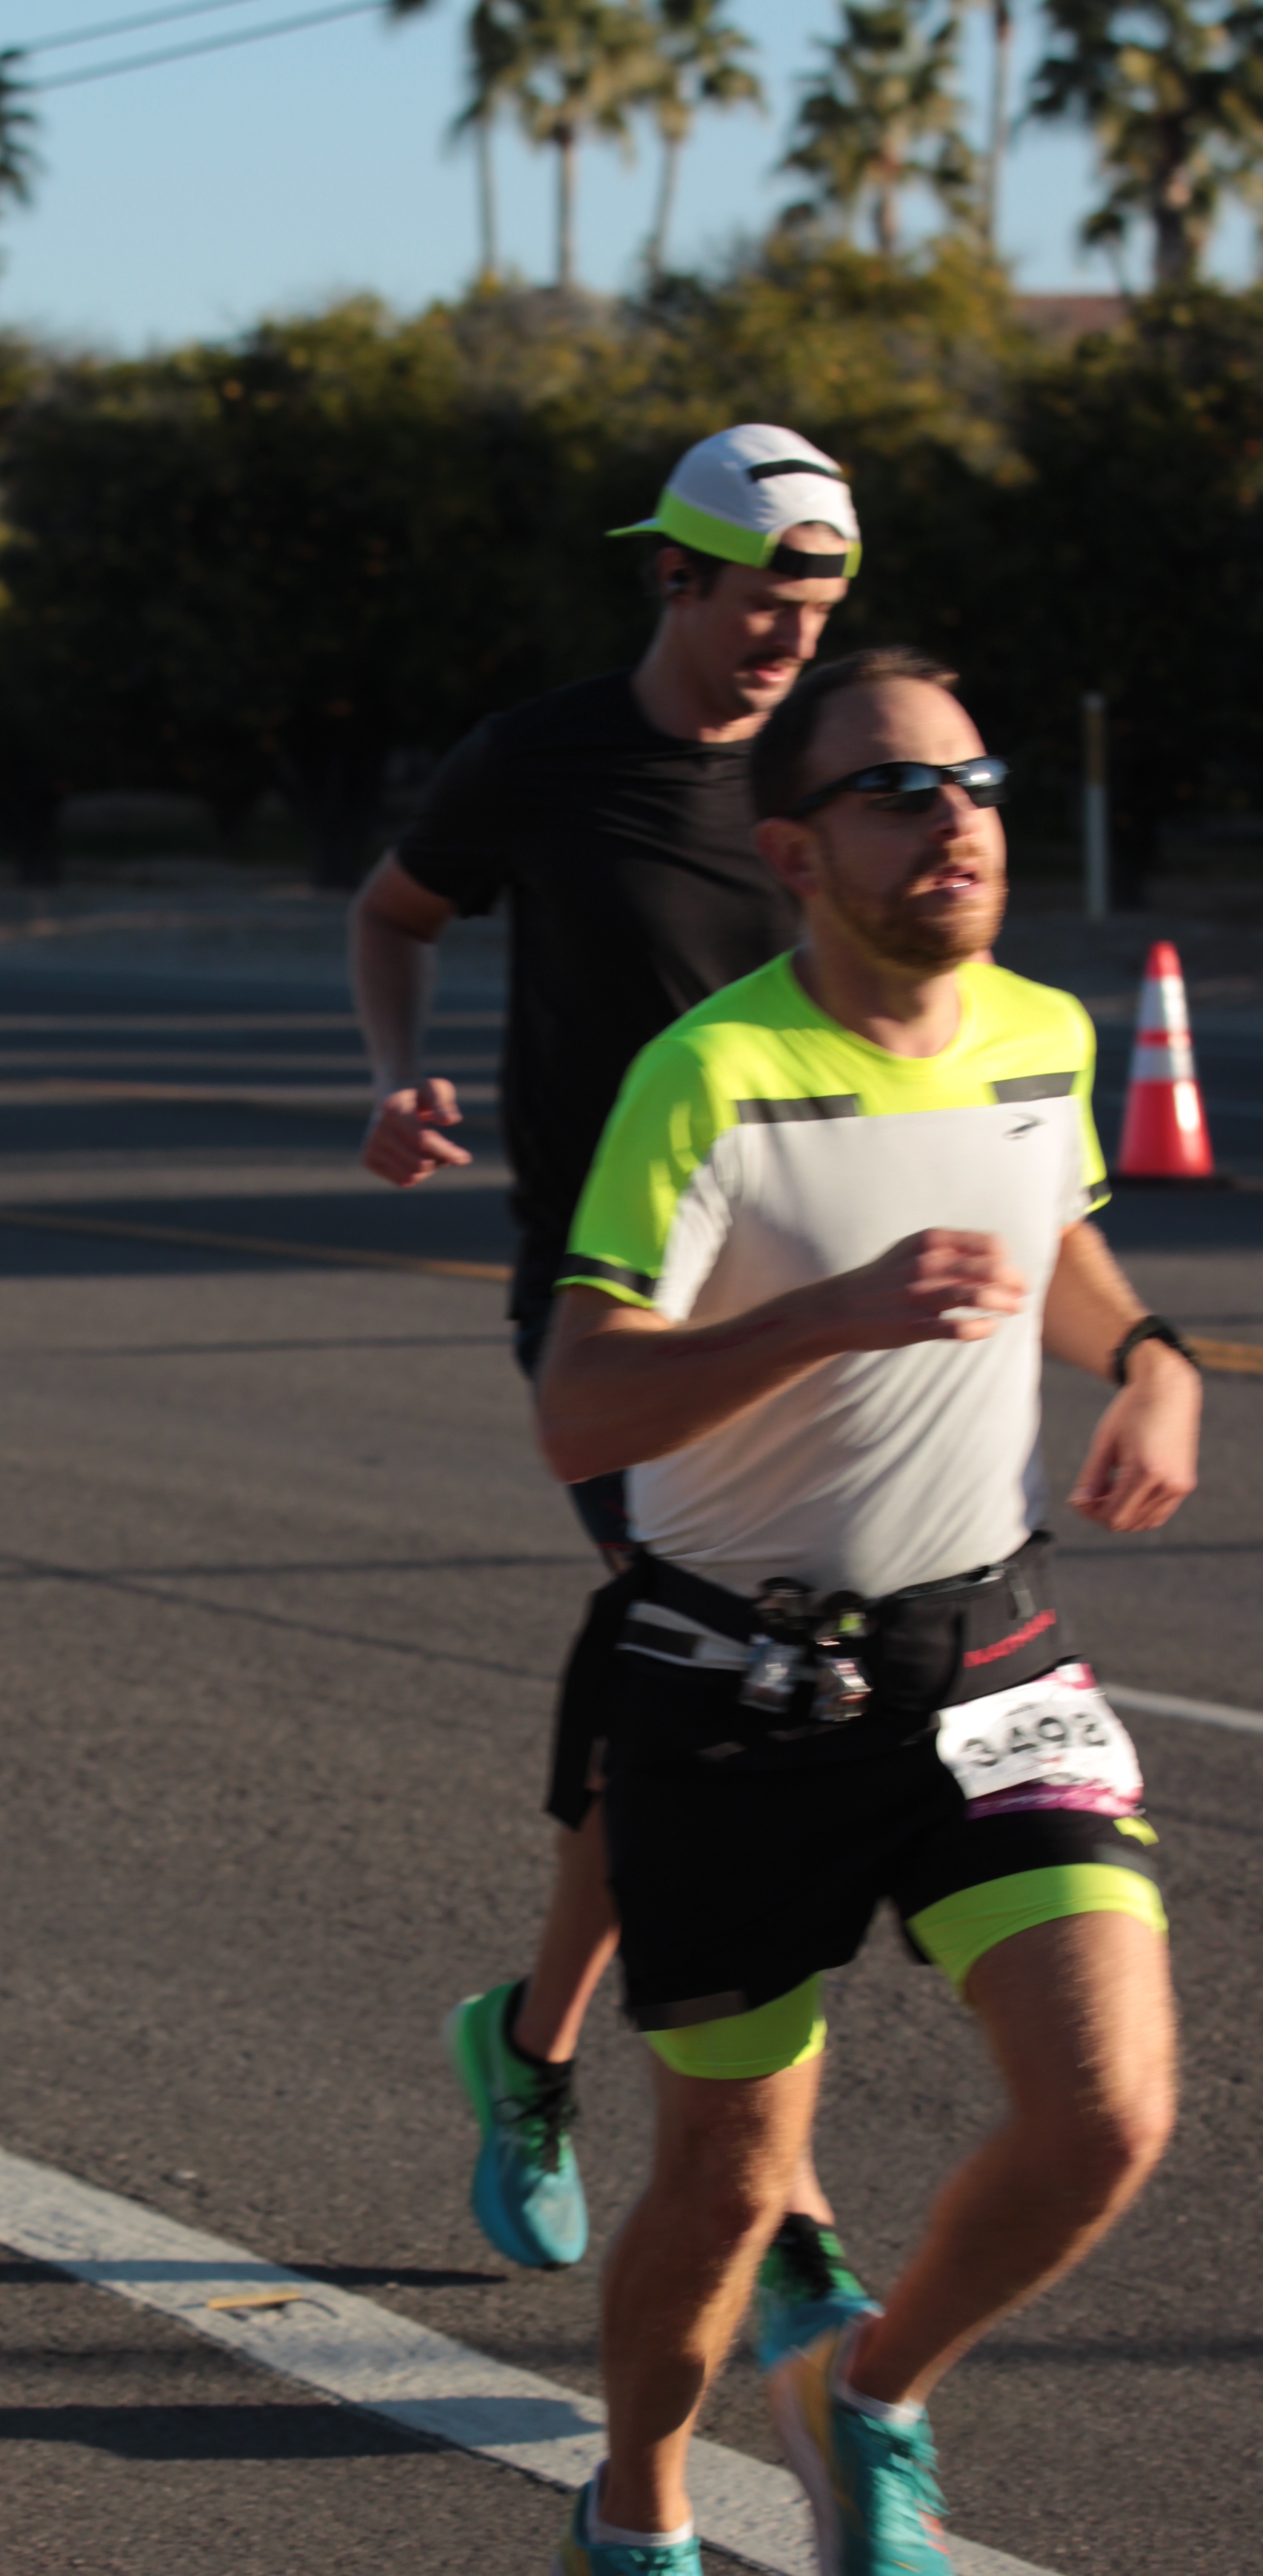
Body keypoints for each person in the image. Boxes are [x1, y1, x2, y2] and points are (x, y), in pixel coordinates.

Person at [534, 644, 1199, 2576]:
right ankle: (635, 2523)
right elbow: (579, 1407)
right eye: (901, 793)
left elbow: (1051, 1232)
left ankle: (869, 2389)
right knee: (729, 2185)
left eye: (974, 783)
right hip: (731, 1681)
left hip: (983, 1646)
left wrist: (1150, 1353)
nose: (957, 821)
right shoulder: (709, 1077)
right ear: (795, 850)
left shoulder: (1040, 1032)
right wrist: (822, 1313)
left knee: (1109, 2110)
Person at [350, 424, 867, 2320]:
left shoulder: (831, 774)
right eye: (759, 606)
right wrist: (392, 1078)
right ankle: (782, 2210)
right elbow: (393, 911)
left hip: (811, 1297)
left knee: (715, 1695)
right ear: (671, 577)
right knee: (731, 1676)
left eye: (815, 613)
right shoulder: (542, 757)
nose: (785, 645)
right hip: (608, 1304)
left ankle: (531, 2045)